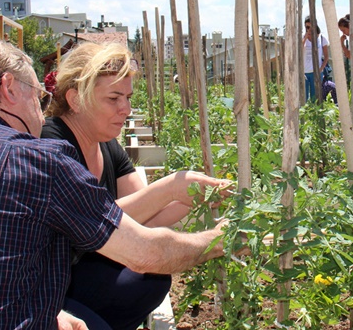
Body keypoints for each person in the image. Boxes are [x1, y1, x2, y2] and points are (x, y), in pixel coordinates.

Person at [0, 38, 231, 329]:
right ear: (7, 88)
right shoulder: (37, 159)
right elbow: (146, 253)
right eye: (37, 95)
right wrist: (223, 239)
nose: (41, 108)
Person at [40, 41, 230, 330]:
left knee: (149, 280)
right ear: (76, 99)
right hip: (48, 290)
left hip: (82, 274)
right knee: (141, 271)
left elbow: (141, 219)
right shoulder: (52, 146)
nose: (126, 109)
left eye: (128, 97)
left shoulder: (106, 145)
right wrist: (169, 187)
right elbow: (91, 225)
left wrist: (190, 198)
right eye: (114, 98)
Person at [302, 16, 330, 102]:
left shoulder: (322, 38)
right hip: (305, 72)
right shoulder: (303, 37)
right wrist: (305, 38)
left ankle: (316, 115)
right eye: (307, 27)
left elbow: (326, 57)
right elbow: (298, 50)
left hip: (316, 72)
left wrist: (321, 69)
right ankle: (305, 115)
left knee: (316, 98)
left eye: (311, 26)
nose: (309, 29)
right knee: (304, 97)